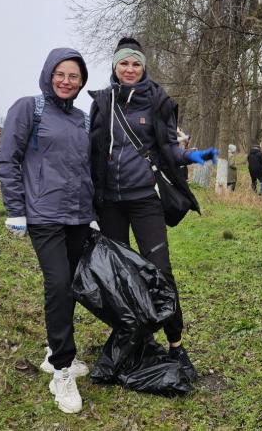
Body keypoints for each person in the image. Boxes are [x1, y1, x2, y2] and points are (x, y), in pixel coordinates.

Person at [88, 36, 216, 377]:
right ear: (115, 67)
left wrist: (189, 156)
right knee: (118, 276)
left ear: (144, 68)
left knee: (160, 271)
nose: (130, 69)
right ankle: (134, 339)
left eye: (136, 64)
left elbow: (169, 147)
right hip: (110, 204)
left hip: (145, 200)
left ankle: (176, 343)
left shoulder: (158, 101)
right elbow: (93, 151)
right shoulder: (102, 102)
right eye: (124, 63)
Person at [0, 48, 94, 414]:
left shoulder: (83, 119)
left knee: (71, 285)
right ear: (49, 74)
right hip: (44, 215)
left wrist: (93, 212)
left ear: (82, 81)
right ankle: (62, 371)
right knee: (58, 284)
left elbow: (87, 169)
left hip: (79, 217)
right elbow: (8, 159)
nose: (67, 81)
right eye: (61, 74)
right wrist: (15, 209)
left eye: (74, 76)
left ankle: (55, 350)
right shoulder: (29, 109)